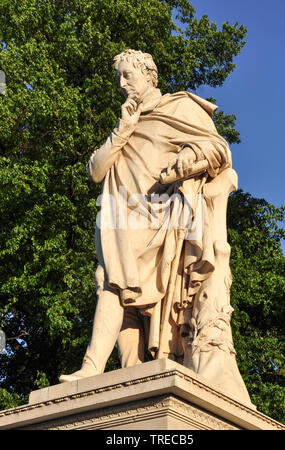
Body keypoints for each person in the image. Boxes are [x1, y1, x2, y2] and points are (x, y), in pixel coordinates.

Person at [59, 49, 234, 384]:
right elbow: (96, 171)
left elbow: (218, 149)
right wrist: (124, 128)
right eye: (119, 78)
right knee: (112, 283)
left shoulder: (178, 107)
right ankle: (131, 372)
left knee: (111, 279)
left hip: (160, 214)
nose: (123, 84)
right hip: (120, 216)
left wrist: (190, 155)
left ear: (149, 75)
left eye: (129, 76)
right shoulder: (127, 120)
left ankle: (92, 368)